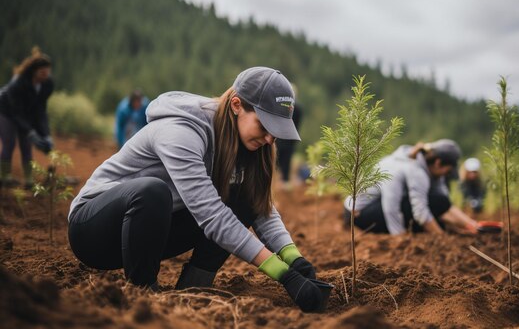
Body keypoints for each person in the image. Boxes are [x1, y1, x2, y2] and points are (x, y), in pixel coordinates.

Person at [68, 67, 324, 312]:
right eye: (264, 126)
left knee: (244, 196)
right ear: (237, 105)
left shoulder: (247, 143)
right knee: (152, 191)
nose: (270, 139)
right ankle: (143, 294)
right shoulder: (182, 131)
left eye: (275, 132)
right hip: (94, 231)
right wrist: (282, 274)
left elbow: (259, 208)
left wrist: (294, 259)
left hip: (150, 234)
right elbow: (212, 215)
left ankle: (194, 289)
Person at [344, 139, 480, 235]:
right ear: (438, 163)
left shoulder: (428, 167)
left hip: (375, 209)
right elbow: (392, 207)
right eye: (448, 171)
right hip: (359, 214)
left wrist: (473, 225)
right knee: (432, 210)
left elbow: (445, 203)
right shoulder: (412, 170)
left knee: (439, 203)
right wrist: (400, 236)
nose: (447, 175)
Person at [0, 47, 54, 188]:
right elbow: (15, 112)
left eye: (48, 71)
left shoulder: (47, 84)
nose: (46, 74)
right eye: (42, 71)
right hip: (6, 110)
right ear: (33, 71)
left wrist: (46, 134)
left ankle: (29, 181)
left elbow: (41, 110)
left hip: (24, 113)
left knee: (26, 145)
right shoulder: (18, 83)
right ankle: (4, 178)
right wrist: (30, 131)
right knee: (9, 142)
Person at [275, 84, 302, 190]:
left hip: (280, 139)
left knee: (276, 162)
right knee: (285, 163)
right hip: (289, 140)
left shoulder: (280, 106)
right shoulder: (299, 109)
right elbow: (297, 127)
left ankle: (279, 183)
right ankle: (283, 183)